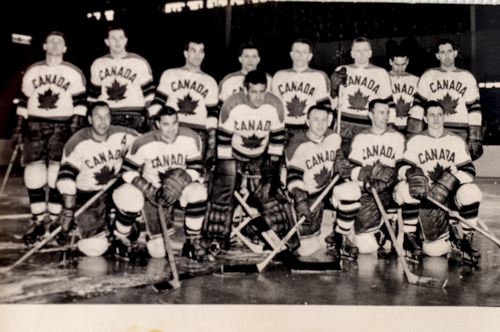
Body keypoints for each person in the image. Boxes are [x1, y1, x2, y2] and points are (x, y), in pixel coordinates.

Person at [11, 31, 87, 244]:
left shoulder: (73, 72)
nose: (55, 44)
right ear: (44, 46)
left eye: (59, 42)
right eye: (51, 41)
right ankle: (36, 220)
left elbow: (81, 102)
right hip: (35, 124)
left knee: (56, 172)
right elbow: (23, 100)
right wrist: (18, 127)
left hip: (62, 125)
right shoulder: (33, 71)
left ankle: (53, 220)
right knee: (34, 172)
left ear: (65, 48)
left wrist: (75, 127)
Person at [206, 70, 291, 253]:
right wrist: (227, 172)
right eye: (254, 92)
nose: (259, 97)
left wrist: (272, 170)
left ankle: (278, 238)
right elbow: (223, 143)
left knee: (269, 193)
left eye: (262, 92)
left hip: (259, 156)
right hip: (233, 154)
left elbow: (276, 141)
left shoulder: (275, 105)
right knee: (223, 192)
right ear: (245, 90)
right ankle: (217, 239)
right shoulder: (232, 104)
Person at [394, 101, 482, 265]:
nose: (436, 118)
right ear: (425, 118)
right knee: (405, 187)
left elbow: (469, 171)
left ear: (444, 117)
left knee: (472, 191)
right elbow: (400, 166)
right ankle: (409, 236)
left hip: (446, 199)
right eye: (432, 115)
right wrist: (411, 173)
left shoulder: (455, 140)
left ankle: (466, 239)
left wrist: (450, 181)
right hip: (424, 200)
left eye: (439, 115)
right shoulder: (415, 140)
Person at [55, 102, 141, 257]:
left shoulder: (123, 135)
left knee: (132, 195)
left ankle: (120, 235)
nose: (103, 122)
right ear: (89, 119)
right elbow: (66, 175)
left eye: (107, 117)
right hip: (88, 195)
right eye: (98, 117)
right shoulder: (77, 142)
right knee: (94, 248)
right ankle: (97, 231)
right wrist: (68, 208)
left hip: (113, 190)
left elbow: (147, 144)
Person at [122, 106, 208, 262]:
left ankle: (192, 240)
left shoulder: (189, 138)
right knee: (158, 252)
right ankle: (138, 227)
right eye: (166, 124)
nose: (171, 129)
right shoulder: (143, 142)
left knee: (198, 191)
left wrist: (178, 183)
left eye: (174, 123)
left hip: (179, 191)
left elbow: (196, 168)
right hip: (154, 195)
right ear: (157, 124)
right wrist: (148, 190)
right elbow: (127, 171)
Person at [285, 104, 361, 258]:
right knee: (307, 250)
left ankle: (342, 236)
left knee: (352, 190)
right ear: (307, 122)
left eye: (324, 120)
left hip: (329, 188)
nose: (320, 124)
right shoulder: (297, 143)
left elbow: (339, 158)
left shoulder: (333, 137)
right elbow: (293, 175)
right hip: (309, 195)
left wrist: (341, 162)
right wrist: (300, 199)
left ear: (329, 121)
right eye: (316, 120)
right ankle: (312, 235)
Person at [407, 38, 483, 161]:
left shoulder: (467, 77)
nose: (447, 56)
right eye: (442, 52)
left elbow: (474, 109)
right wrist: (412, 134)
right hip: (434, 130)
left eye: (449, 51)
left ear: (455, 53)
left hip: (460, 131)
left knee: (457, 168)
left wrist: (475, 137)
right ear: (437, 56)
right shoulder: (429, 75)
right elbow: (418, 107)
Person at [148, 39, 219, 171]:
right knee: (165, 171)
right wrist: (153, 127)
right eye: (193, 51)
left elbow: (212, 114)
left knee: (195, 173)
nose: (197, 55)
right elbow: (158, 102)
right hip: (172, 130)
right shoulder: (170, 74)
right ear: (185, 53)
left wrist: (211, 144)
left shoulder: (210, 81)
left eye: (201, 52)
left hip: (197, 133)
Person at [347, 99, 405, 256]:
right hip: (369, 192)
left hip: (389, 190)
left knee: (404, 189)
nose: (385, 117)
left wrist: (388, 178)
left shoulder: (397, 137)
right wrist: (372, 174)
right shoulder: (360, 138)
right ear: (370, 115)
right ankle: (377, 230)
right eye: (381, 113)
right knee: (366, 248)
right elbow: (351, 171)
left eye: (387, 113)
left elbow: (401, 169)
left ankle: (393, 223)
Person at [330, 36, 395, 157]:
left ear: (370, 53)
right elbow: (333, 103)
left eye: (365, 51)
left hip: (367, 124)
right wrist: (333, 89)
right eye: (358, 51)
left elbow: (388, 104)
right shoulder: (342, 70)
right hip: (344, 125)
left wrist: (389, 127)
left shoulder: (380, 73)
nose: (361, 54)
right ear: (352, 53)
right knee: (341, 161)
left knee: (363, 160)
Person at [88, 25, 155, 133]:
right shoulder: (98, 64)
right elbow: (92, 97)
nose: (117, 42)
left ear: (126, 41)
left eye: (121, 38)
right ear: (106, 42)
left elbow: (150, 95)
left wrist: (151, 117)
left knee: (133, 148)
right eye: (113, 38)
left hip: (134, 115)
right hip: (107, 116)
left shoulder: (139, 62)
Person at [272, 38, 331, 144]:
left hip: (308, 130)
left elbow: (325, 108)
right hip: (283, 129)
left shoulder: (319, 76)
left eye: (304, 52)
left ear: (310, 56)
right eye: (297, 52)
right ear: (291, 54)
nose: (300, 55)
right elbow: (274, 107)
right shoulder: (279, 76)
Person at [389, 48, 419, 134]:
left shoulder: (416, 80)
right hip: (389, 125)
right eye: (397, 65)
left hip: (409, 127)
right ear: (390, 62)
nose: (400, 69)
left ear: (407, 62)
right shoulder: (383, 79)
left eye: (403, 64)